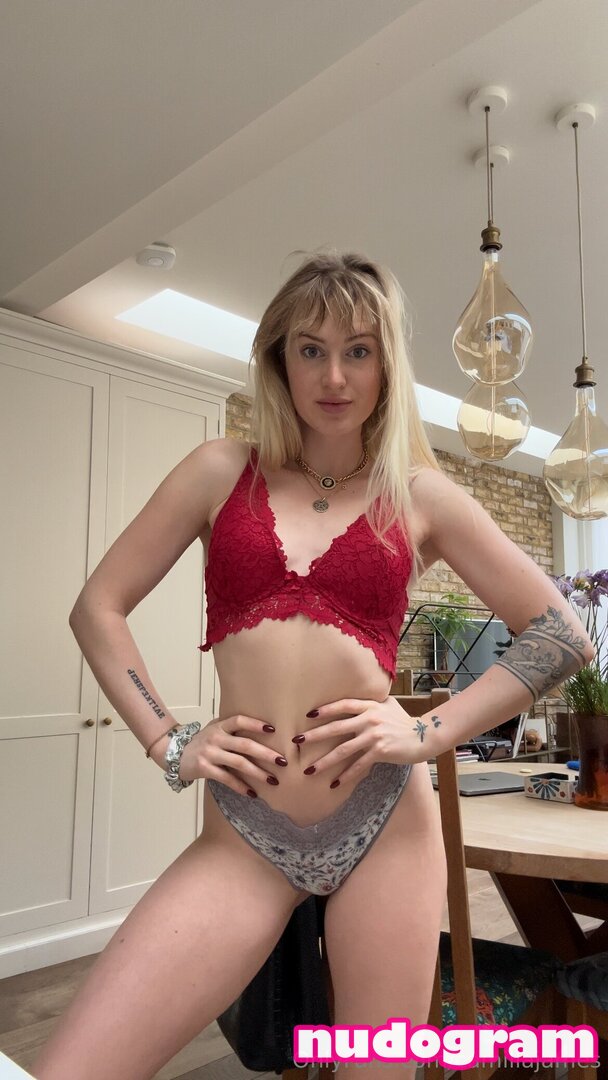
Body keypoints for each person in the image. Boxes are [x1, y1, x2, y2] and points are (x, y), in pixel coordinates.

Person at [31, 251, 595, 1080]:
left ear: (386, 365)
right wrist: (168, 740)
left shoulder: (420, 495)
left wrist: (428, 731)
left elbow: (560, 635)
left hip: (385, 825)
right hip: (244, 833)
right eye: (311, 350)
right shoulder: (219, 470)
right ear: (279, 360)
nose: (334, 376)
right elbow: (98, 607)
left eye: (359, 351)